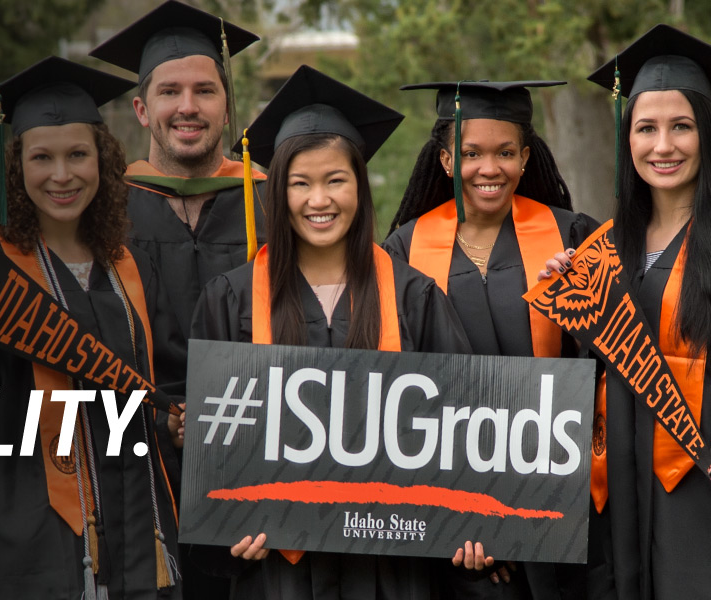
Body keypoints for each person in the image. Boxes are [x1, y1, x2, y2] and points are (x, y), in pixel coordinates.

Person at [0, 55, 189, 599]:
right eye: (42, 157)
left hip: (144, 526)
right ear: (15, 166)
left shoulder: (133, 269)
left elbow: (163, 393)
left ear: (103, 161)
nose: (62, 175)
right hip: (32, 531)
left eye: (77, 155)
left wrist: (178, 424)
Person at [190, 64, 471, 600]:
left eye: (335, 180)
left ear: (359, 188)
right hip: (277, 566)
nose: (319, 200)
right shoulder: (231, 298)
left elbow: (460, 425)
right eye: (301, 183)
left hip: (389, 565)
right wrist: (227, 527)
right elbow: (212, 444)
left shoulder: (413, 295)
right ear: (278, 192)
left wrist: (470, 531)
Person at [381, 80, 602, 599]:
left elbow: (608, 365)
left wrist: (583, 305)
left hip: (561, 498)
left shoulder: (572, 237)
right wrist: (465, 517)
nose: (489, 168)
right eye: (471, 153)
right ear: (445, 160)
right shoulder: (403, 250)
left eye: (505, 152)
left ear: (525, 158)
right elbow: (397, 395)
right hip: (456, 516)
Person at [544, 24, 711, 600]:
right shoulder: (607, 248)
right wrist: (567, 296)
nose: (662, 146)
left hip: (696, 490)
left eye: (682, 126)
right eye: (646, 128)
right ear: (628, 138)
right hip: (617, 487)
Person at [90, 0, 264, 334]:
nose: (188, 107)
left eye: (204, 91)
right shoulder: (105, 208)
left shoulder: (269, 202)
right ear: (141, 110)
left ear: (227, 108)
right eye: (170, 91)